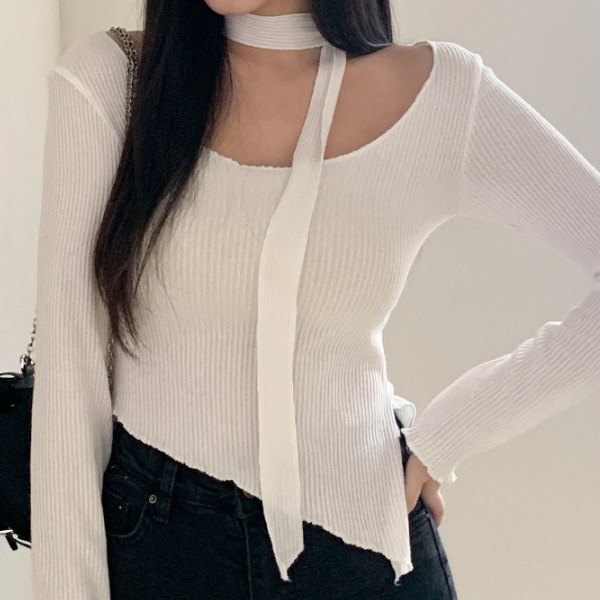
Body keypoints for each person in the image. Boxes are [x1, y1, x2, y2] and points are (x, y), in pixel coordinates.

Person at [29, 0, 600, 598]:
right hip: (160, 542)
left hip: (367, 549)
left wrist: (449, 434)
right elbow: (69, 382)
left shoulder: (441, 94)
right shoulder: (111, 81)